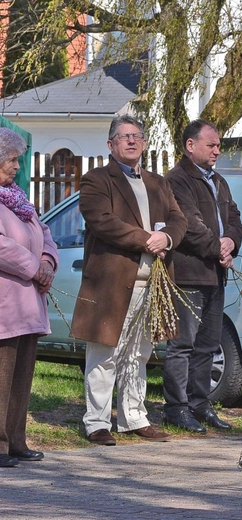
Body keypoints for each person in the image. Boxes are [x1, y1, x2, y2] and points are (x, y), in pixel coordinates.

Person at [71, 114, 186, 446]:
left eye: (137, 135)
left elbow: (179, 219)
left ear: (145, 143)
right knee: (104, 351)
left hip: (152, 283)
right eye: (124, 136)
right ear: (111, 145)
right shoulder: (96, 180)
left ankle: (134, 417)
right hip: (111, 282)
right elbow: (102, 222)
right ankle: (97, 422)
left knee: (139, 352)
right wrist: (146, 238)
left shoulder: (158, 183)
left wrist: (167, 240)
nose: (132, 141)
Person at [161, 120, 242, 433]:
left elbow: (234, 218)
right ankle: (176, 408)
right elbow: (189, 225)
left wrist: (231, 242)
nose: (217, 151)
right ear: (190, 146)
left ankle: (199, 403)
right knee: (182, 345)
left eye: (218, 145)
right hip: (189, 273)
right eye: (211, 145)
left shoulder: (219, 181)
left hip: (214, 274)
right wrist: (218, 248)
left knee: (207, 345)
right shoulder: (177, 180)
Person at [0, 128, 57, 466]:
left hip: (29, 302)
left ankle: (16, 440)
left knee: (22, 375)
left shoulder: (17, 199)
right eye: (11, 159)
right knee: (1, 376)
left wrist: (48, 261)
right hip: (6, 302)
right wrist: (34, 267)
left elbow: (45, 231)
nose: (16, 165)